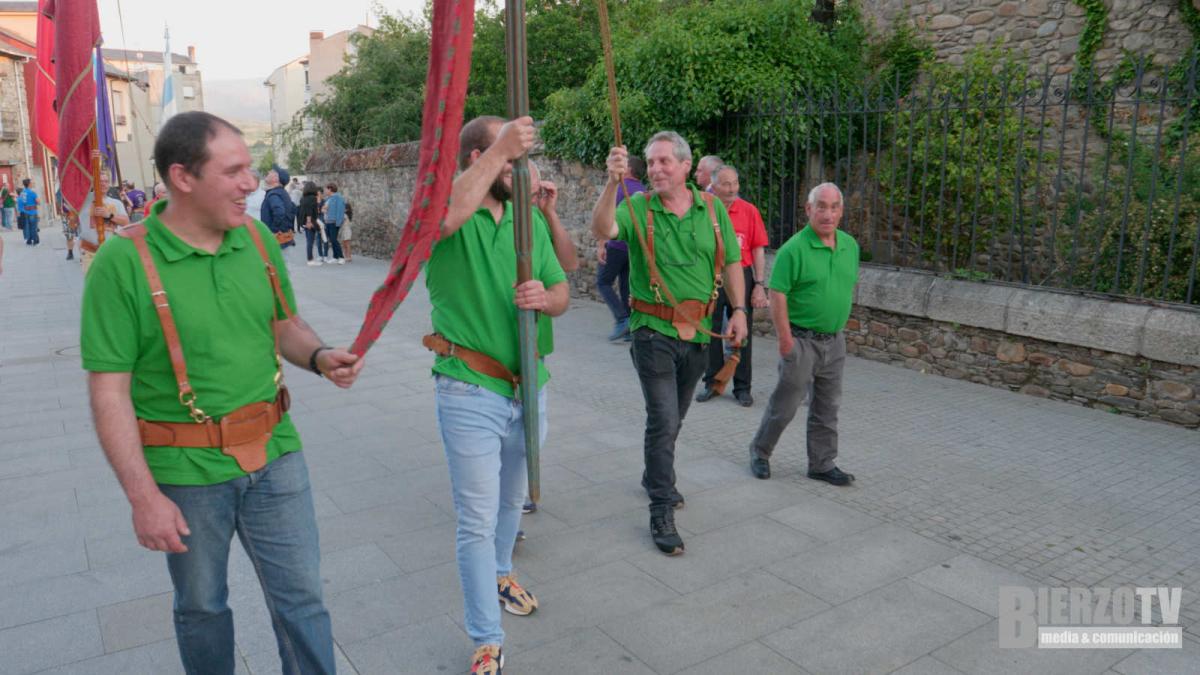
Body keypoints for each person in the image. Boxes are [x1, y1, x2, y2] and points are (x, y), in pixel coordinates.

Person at [81, 111, 364, 675]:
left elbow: (284, 324)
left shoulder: (255, 238)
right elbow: (108, 393)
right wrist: (144, 498)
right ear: (183, 177)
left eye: (250, 167)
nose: (251, 182)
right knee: (203, 608)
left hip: (277, 451)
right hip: (185, 472)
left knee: (303, 604)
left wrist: (318, 355)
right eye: (234, 170)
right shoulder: (123, 261)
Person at [425, 115, 567, 675]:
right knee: (475, 521)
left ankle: (503, 572)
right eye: (508, 160)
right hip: (469, 388)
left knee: (514, 501)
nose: (517, 169)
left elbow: (561, 289)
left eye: (516, 160)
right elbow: (441, 218)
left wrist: (545, 298)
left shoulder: (524, 221)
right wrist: (498, 151)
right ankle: (487, 636)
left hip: (528, 386)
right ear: (476, 158)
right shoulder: (450, 209)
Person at [591, 132, 746, 557]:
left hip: (698, 334)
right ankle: (662, 506)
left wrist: (740, 310)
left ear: (684, 166)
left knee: (675, 417)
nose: (656, 169)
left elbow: (732, 261)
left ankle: (652, 475)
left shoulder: (712, 209)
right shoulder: (636, 205)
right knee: (662, 419)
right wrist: (611, 182)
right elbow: (602, 228)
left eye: (663, 162)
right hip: (651, 332)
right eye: (651, 162)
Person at [748, 182, 859, 486]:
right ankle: (760, 451)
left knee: (827, 407)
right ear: (809, 209)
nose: (828, 213)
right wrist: (785, 340)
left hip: (834, 342)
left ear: (841, 211)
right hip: (801, 341)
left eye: (834, 207)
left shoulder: (850, 246)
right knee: (785, 406)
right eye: (821, 206)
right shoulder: (793, 250)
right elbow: (779, 294)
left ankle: (822, 463)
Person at [695, 165, 770, 407]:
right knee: (710, 330)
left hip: (742, 275)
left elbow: (758, 249)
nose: (732, 189)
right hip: (710, 275)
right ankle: (712, 383)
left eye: (735, 183)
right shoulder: (704, 210)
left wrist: (759, 284)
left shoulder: (749, 211)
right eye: (726, 184)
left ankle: (742, 387)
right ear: (713, 186)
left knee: (742, 332)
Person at [597, 155, 645, 342]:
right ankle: (631, 328)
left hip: (615, 245)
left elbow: (606, 219)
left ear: (628, 170)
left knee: (603, 282)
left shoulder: (618, 189)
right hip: (633, 248)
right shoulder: (644, 191)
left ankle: (622, 319)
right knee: (626, 285)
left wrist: (602, 245)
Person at [77, 173, 131, 271]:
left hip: (112, 251)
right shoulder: (83, 200)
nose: (103, 184)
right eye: (100, 181)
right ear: (93, 183)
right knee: (93, 285)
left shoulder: (116, 203)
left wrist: (109, 215)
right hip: (90, 252)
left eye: (106, 182)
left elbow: (126, 222)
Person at [260, 165, 296, 260]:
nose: (268, 172)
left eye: (271, 172)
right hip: (282, 240)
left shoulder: (274, 194)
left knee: (278, 269)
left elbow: (279, 212)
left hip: (278, 241)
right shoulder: (281, 193)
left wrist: (272, 231)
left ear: (276, 178)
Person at [297, 181, 325, 266]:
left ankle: (310, 258)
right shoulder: (312, 198)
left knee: (309, 241)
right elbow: (309, 211)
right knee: (310, 241)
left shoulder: (303, 198)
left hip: (304, 221)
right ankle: (310, 260)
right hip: (310, 221)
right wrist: (309, 221)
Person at [319, 183, 346, 264]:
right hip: (327, 222)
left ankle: (341, 257)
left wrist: (338, 222)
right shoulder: (328, 199)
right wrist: (323, 210)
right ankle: (335, 256)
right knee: (331, 240)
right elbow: (324, 209)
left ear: (330, 189)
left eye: (326, 189)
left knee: (334, 239)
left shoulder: (338, 198)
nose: (325, 191)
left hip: (334, 222)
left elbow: (340, 210)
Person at [18, 179, 40, 246]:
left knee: (27, 227)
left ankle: (29, 240)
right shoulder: (32, 193)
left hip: (25, 212)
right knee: (33, 227)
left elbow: (20, 201)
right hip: (32, 212)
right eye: (31, 183)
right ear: (29, 184)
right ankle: (35, 241)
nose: (32, 184)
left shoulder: (22, 193)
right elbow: (38, 202)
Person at [338, 197, 353, 262]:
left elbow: (339, 221)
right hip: (345, 231)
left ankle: (349, 256)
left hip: (346, 231)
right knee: (345, 244)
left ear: (346, 209)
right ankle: (346, 256)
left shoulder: (344, 215)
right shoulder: (347, 215)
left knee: (346, 244)